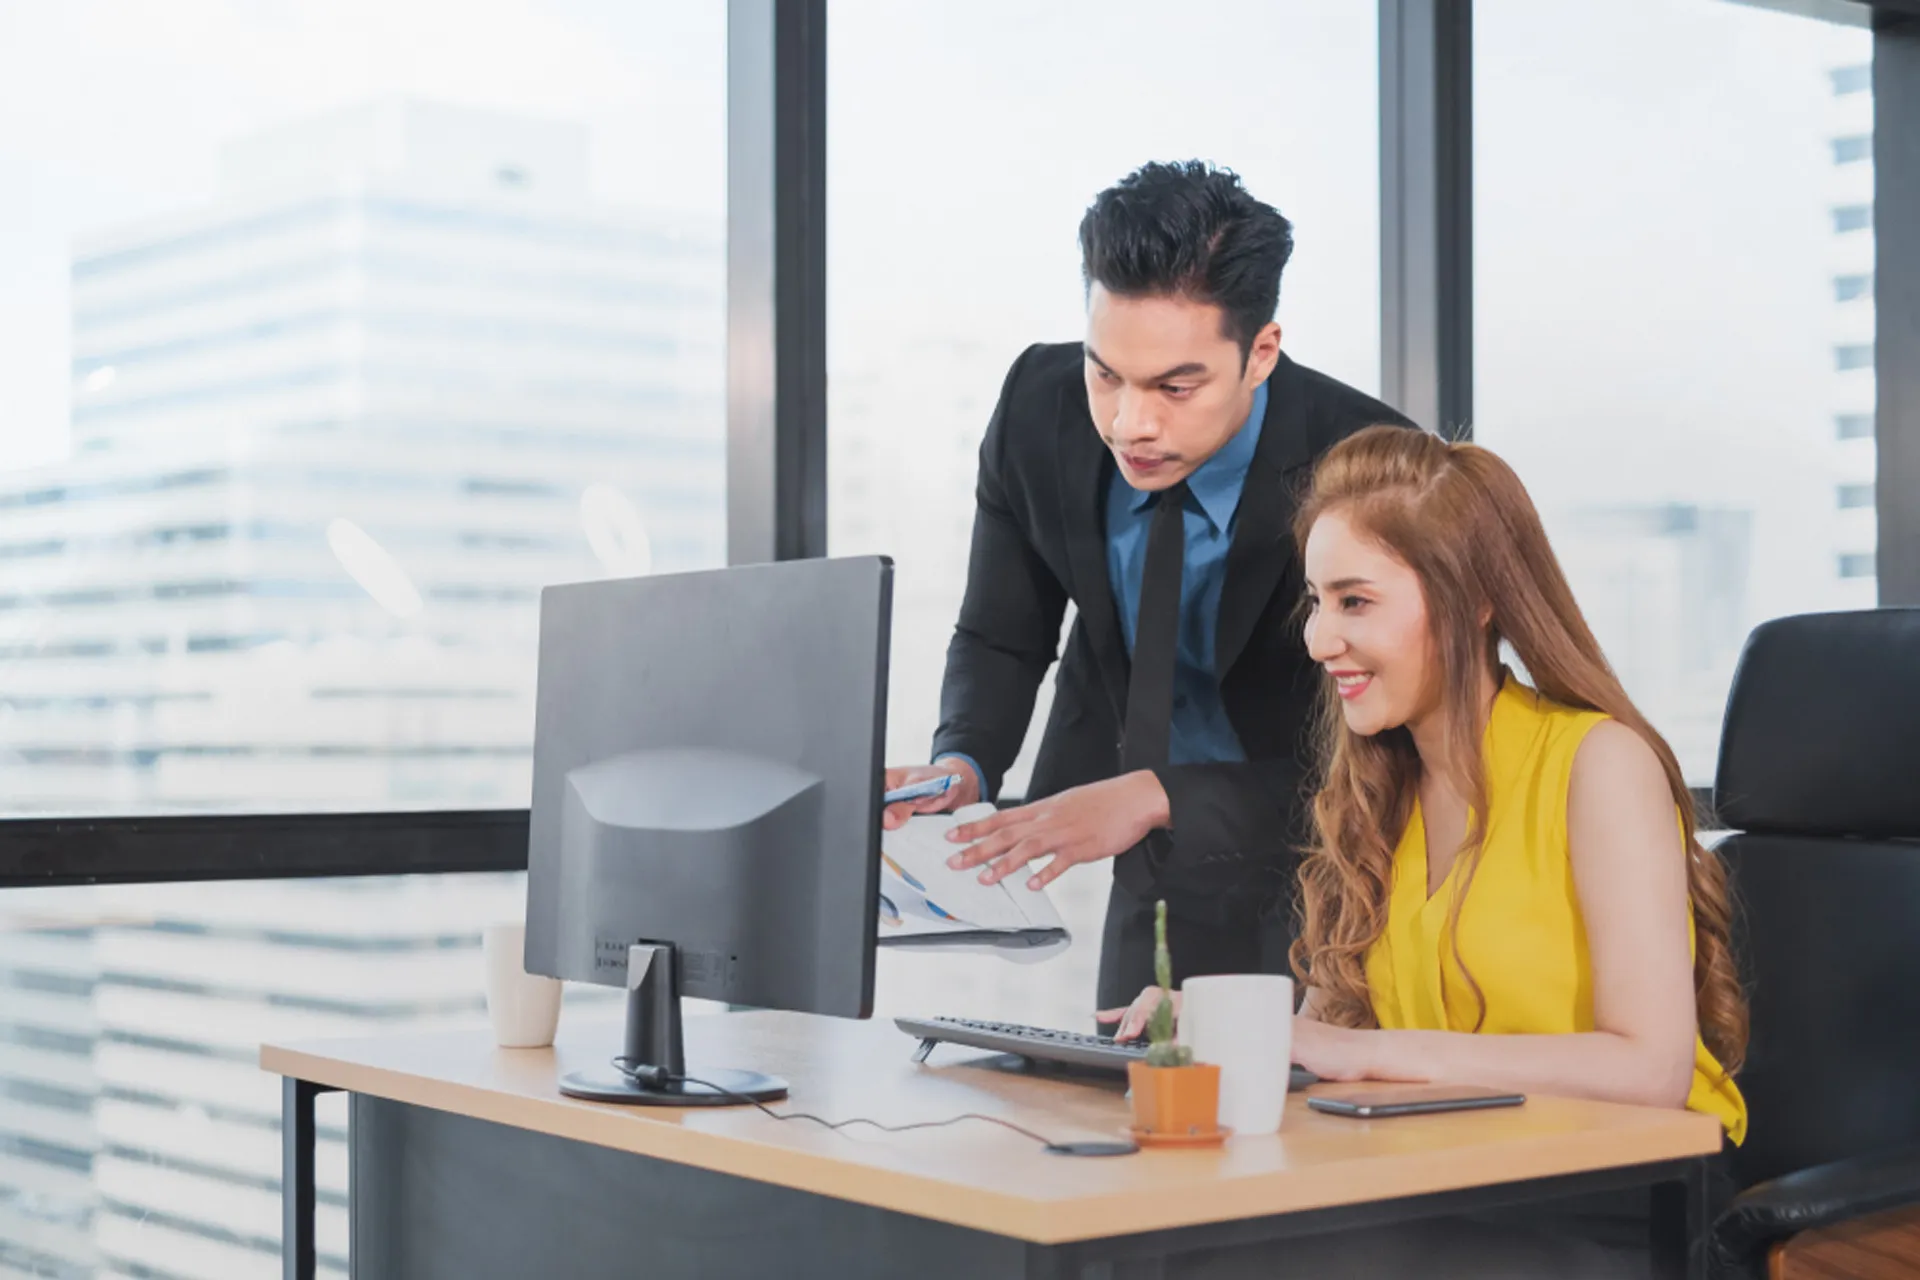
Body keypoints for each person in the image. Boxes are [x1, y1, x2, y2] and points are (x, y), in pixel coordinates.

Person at [1104, 426, 1747, 1276]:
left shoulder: (1598, 764)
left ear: (1471, 600)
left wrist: (1361, 1053)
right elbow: (1339, 1037)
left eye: (1355, 601)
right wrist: (1229, 1028)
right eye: (1316, 601)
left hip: (1629, 1190)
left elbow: (1652, 1069)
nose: (1317, 639)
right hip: (1457, 1173)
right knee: (1161, 1245)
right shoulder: (1382, 790)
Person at [881, 161, 1415, 1008]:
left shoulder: (1366, 461)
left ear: (1260, 353)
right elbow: (1002, 631)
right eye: (1107, 374)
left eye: (1177, 386)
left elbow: (1400, 749)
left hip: (1339, 862)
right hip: (1151, 861)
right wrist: (966, 758)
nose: (1132, 424)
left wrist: (1163, 795)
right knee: (1133, 1108)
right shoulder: (1037, 408)